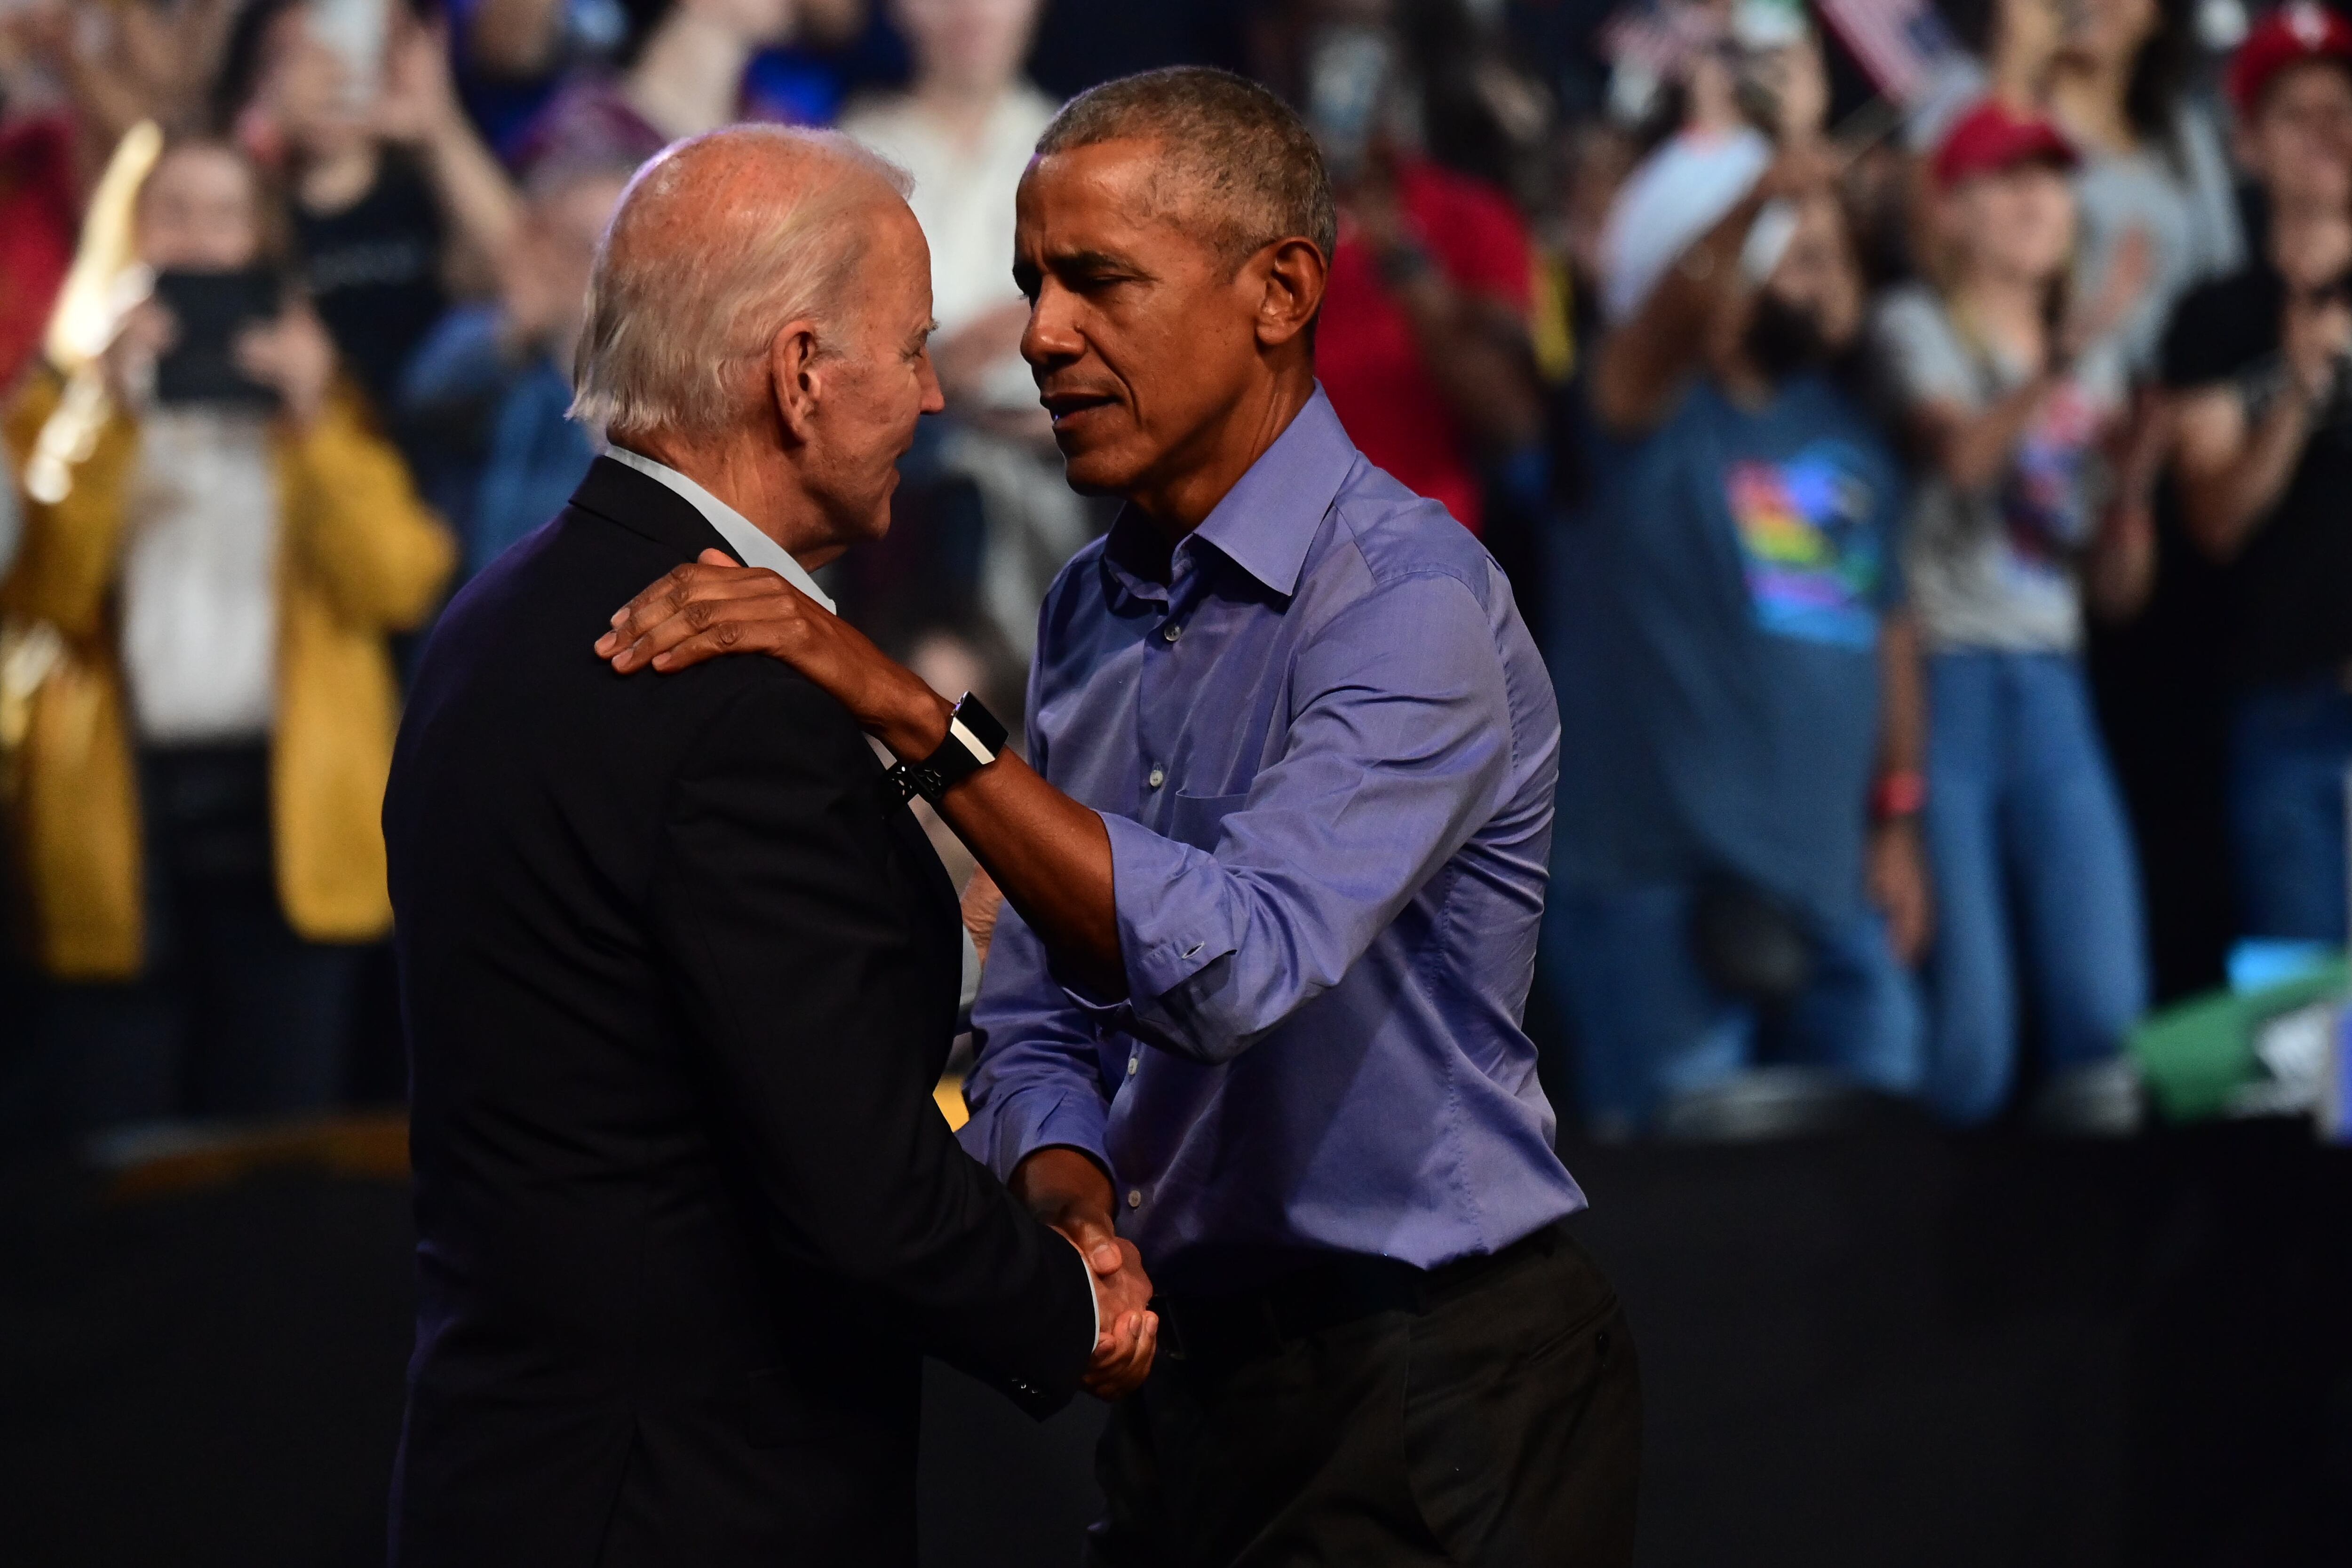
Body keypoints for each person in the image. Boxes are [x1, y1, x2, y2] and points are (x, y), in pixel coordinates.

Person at [601, 68, 1639, 1566]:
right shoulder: (1089, 608)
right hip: (1196, 1384)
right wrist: (1072, 1196)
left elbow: (1241, 964)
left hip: (1437, 1375)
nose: (1038, 334)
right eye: (1030, 284)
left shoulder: (1412, 604)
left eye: (1097, 281)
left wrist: (901, 707)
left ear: (1280, 289)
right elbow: (1036, 1009)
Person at [382, 126, 1153, 1567]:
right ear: (801, 375)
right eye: (910, 350)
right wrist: (1074, 1307)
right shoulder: (727, 690)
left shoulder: (498, 622)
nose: (933, 394)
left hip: (513, 1476)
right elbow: (852, 1180)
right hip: (688, 1502)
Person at [1, 136, 454, 1129]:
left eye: (225, 212)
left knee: (279, 1143)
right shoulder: (60, 404)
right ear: (127, 231)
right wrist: (107, 410)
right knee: (118, 1145)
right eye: (172, 211)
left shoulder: (328, 401)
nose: (200, 238)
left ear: (263, 236)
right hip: (122, 811)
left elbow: (400, 581)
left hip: (291, 806)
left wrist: (309, 418)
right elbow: (49, 592)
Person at [1547, 40, 1931, 1140]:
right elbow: (1662, 323)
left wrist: (1897, 818)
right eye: (1788, 253)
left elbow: (1890, 634)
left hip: (1832, 894)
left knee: (1879, 1202)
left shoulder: (1855, 435)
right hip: (1653, 890)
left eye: (1826, 253)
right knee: (1686, 1232)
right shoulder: (1640, 412)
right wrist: (1753, 191)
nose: (1818, 273)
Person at [1873, 100, 2157, 1132]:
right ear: (1952, 211)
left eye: (2050, 176)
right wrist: (2067, 355)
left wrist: (2128, 493)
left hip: (2054, 683)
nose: (2041, 199)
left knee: (2105, 1014)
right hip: (1946, 683)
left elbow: (2114, 592)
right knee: (1971, 1039)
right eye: (2007, 178)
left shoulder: (2097, 362)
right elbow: (1961, 456)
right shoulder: (1915, 326)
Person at [2165, 4, 2352, 946]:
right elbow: (2214, 517)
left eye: (2344, 107)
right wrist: (2297, 393)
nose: (2331, 131)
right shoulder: (2214, 318)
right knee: (2319, 1043)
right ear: (2245, 148)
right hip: (2284, 703)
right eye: (2297, 114)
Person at [840, 0, 1092, 661]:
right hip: (908, 503)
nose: (970, 11)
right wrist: (947, 365)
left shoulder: (1089, 153)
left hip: (1070, 491)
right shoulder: (850, 158)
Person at [224, 0, 524, 414]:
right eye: (294, 60)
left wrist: (439, 127)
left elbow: (526, 276)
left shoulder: (422, 185)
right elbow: (217, 268)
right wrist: (267, 132)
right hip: (300, 434)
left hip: (433, 430)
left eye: (347, 49)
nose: (327, 76)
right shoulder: (255, 196)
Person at [398, 156, 634, 578]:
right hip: (504, 622)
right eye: (582, 247)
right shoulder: (494, 347)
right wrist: (516, 335)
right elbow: (424, 395)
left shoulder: (677, 377)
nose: (604, 272)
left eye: (623, 248)